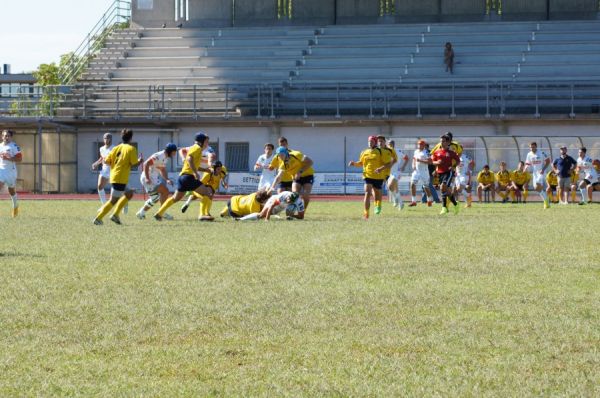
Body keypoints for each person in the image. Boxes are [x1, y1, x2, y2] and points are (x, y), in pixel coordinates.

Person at [153, 132, 214, 221]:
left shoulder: (196, 148)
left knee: (175, 198)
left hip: (183, 177)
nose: (207, 143)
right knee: (208, 193)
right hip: (189, 177)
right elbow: (189, 159)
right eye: (206, 141)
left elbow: (193, 164)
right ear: (201, 141)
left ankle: (159, 213)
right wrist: (195, 173)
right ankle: (202, 215)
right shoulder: (197, 148)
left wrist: (205, 170)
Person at [93, 129, 143, 225]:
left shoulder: (116, 148)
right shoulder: (131, 149)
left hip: (114, 175)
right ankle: (98, 218)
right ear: (131, 138)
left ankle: (115, 214)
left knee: (129, 194)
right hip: (120, 177)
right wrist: (140, 161)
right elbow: (134, 164)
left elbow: (106, 161)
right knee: (113, 200)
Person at [348, 135, 392, 219]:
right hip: (367, 175)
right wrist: (354, 163)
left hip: (378, 177)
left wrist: (380, 169)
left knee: (377, 194)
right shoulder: (364, 152)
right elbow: (361, 163)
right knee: (367, 192)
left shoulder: (381, 151)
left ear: (375, 142)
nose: (370, 143)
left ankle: (378, 204)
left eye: (371, 141)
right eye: (369, 141)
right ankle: (366, 214)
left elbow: (388, 163)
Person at [135, 143, 178, 219]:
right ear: (170, 151)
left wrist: (167, 179)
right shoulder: (160, 155)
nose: (175, 154)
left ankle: (159, 211)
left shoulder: (165, 158)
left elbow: (162, 169)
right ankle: (158, 212)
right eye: (174, 151)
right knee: (159, 195)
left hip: (153, 178)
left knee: (160, 194)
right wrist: (147, 178)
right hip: (148, 178)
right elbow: (146, 164)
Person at [268, 146, 314, 212]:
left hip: (308, 175)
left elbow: (310, 162)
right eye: (279, 155)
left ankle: (303, 211)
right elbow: (278, 176)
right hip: (296, 178)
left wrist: (300, 171)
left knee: (305, 195)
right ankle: (291, 212)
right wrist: (272, 187)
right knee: (294, 196)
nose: (280, 157)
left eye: (282, 155)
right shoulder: (283, 164)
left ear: (286, 153)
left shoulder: (296, 154)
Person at [430, 134, 461, 215]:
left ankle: (444, 208)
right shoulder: (437, 152)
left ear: (447, 142)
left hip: (449, 172)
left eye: (443, 141)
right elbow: (432, 161)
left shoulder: (451, 152)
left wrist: (453, 166)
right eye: (441, 141)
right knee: (445, 190)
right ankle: (455, 204)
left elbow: (458, 161)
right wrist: (436, 164)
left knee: (442, 187)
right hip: (440, 173)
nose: (441, 143)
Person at [0, 129, 23, 217]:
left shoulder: (14, 146)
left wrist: (9, 158)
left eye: (8, 136)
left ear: (11, 137)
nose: (6, 137)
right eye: (4, 135)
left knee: (11, 191)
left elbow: (20, 159)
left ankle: (15, 205)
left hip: (11, 172)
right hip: (1, 170)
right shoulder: (0, 146)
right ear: (2, 136)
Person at [238, 191, 304, 221]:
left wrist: (292, 215)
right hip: (273, 201)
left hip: (282, 206)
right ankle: (241, 219)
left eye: (290, 201)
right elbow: (271, 206)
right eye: (288, 199)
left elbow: (301, 217)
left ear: (295, 201)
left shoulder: (299, 202)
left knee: (290, 210)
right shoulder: (283, 196)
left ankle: (287, 217)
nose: (288, 201)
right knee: (262, 215)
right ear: (288, 196)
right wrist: (267, 219)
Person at [524, 142, 551, 208]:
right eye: (530, 147)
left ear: (536, 146)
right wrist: (525, 168)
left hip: (541, 173)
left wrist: (543, 169)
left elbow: (548, 161)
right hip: (535, 173)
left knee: (537, 185)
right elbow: (527, 163)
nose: (532, 148)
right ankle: (546, 200)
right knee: (537, 189)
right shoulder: (529, 154)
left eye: (533, 147)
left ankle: (546, 201)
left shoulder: (541, 153)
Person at [91, 132, 114, 204]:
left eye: (108, 138)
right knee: (99, 187)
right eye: (105, 138)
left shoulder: (114, 148)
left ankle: (124, 202)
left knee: (116, 190)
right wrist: (96, 163)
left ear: (110, 139)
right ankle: (104, 205)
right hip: (104, 171)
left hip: (113, 170)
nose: (106, 140)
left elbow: (117, 160)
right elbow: (101, 158)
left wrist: (109, 162)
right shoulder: (101, 149)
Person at [386, 139, 409, 209]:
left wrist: (403, 167)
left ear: (393, 144)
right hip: (388, 172)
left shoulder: (398, 151)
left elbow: (406, 158)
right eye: (389, 144)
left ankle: (395, 198)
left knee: (390, 186)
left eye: (391, 144)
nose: (390, 145)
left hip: (397, 172)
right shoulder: (385, 152)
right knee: (394, 188)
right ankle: (401, 203)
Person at [409, 139, 433, 207]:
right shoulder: (416, 151)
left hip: (424, 172)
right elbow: (414, 159)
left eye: (421, 144)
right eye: (419, 144)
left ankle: (429, 200)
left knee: (426, 187)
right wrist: (413, 165)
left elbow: (430, 162)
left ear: (424, 145)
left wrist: (420, 160)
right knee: (412, 184)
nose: (419, 145)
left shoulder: (426, 152)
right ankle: (413, 201)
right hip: (416, 171)